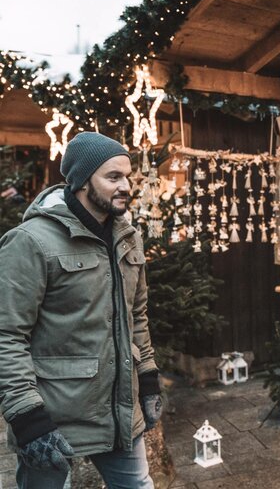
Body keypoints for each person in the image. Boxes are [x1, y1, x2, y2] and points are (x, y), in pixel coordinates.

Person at [0, 132, 162, 489]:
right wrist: (27, 417)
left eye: (128, 176)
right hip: (51, 417)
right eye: (113, 177)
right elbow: (7, 335)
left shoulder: (128, 238)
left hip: (120, 411)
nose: (126, 185)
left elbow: (137, 315)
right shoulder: (31, 240)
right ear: (80, 181)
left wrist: (147, 376)